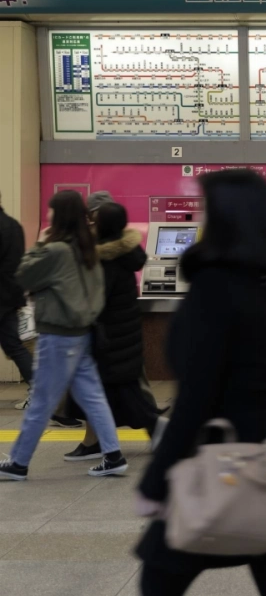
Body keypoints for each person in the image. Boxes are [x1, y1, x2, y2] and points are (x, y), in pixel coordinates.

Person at [134, 170, 266, 596]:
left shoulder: (214, 288)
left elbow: (196, 398)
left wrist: (153, 482)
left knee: (159, 584)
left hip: (217, 465)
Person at [0, 191, 127, 481]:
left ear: (60, 215)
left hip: (58, 335)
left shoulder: (56, 250)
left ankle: (18, 463)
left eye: (51, 210)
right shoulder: (88, 247)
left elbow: (23, 275)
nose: (48, 215)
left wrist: (40, 244)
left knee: (43, 399)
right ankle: (113, 455)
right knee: (94, 397)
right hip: (82, 332)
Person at [63, 203, 166, 461]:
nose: (91, 225)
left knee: (123, 393)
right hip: (122, 335)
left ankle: (160, 431)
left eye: (95, 221)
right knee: (105, 390)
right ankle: (93, 441)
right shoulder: (124, 254)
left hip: (110, 338)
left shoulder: (107, 261)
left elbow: (95, 302)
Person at [0, 192, 33, 407]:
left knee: (14, 347)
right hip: (10, 297)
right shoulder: (13, 225)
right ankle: (42, 391)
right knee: (15, 347)